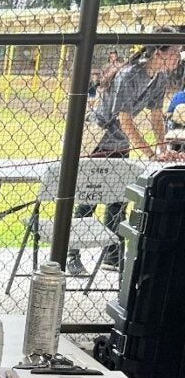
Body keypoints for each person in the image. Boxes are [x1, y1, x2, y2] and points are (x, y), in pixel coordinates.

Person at [68, 32, 183, 275]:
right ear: (157, 52)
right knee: (89, 197)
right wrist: (151, 154)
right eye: (173, 52)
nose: (177, 57)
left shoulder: (160, 78)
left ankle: (112, 254)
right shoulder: (130, 75)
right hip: (98, 139)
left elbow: (155, 115)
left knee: (118, 200)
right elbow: (124, 119)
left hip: (119, 143)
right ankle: (71, 255)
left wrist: (163, 149)